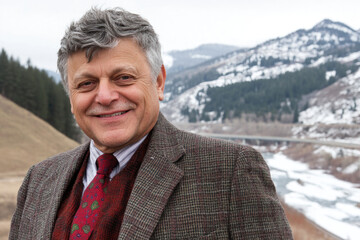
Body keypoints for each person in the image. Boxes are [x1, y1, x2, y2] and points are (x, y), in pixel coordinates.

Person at [10, 7, 293, 240]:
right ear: (71, 96)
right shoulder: (39, 179)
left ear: (158, 82)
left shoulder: (230, 171)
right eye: (87, 83)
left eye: (123, 78)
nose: (105, 96)